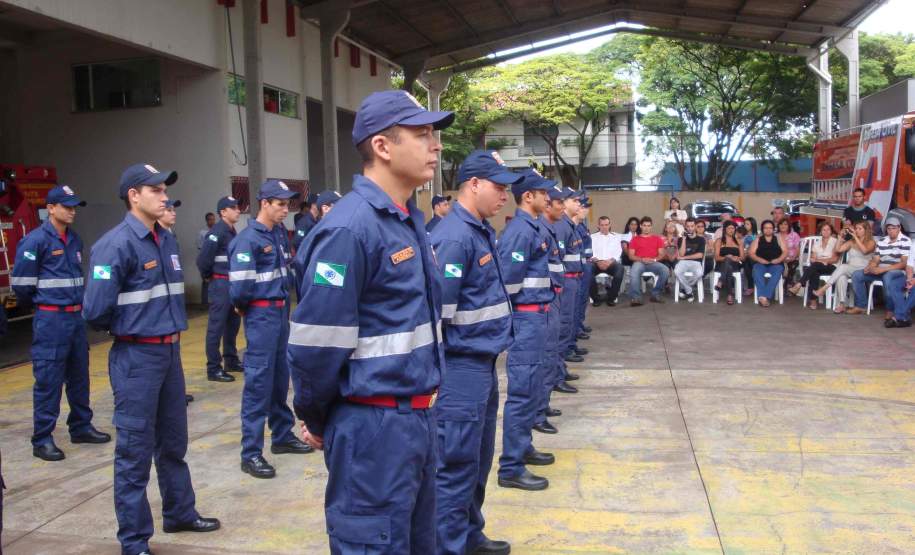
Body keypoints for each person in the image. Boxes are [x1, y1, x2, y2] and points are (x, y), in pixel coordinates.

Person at [288, 89, 452, 555]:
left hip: (417, 418)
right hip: (371, 426)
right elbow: (316, 346)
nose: (434, 145)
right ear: (382, 146)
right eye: (422, 134)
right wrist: (316, 417)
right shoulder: (349, 228)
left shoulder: (405, 221)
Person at [83, 163, 220, 555]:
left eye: (164, 190)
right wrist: (132, 328)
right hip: (136, 356)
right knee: (135, 451)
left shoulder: (165, 240)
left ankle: (180, 512)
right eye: (156, 190)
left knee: (173, 442)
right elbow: (95, 311)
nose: (164, 196)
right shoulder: (116, 244)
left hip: (169, 352)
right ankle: (134, 539)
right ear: (134, 196)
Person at [429, 150, 517, 555]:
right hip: (461, 368)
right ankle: (449, 546)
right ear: (474, 185)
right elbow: (437, 318)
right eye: (498, 187)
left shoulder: (480, 230)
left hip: (482, 364)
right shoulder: (453, 236)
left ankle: (469, 535)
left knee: (477, 461)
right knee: (455, 466)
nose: (505, 196)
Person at [11, 184, 111, 462]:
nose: (71, 211)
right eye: (66, 207)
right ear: (50, 208)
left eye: (73, 207)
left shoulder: (74, 240)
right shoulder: (35, 241)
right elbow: (21, 286)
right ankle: (42, 438)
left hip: (75, 318)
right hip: (51, 318)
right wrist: (45, 305)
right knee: (49, 379)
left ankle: (80, 426)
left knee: (79, 375)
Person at [229, 179, 312, 479]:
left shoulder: (278, 234)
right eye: (279, 204)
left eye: (287, 204)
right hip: (261, 316)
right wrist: (245, 307)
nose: (284, 210)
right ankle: (250, 452)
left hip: (280, 313)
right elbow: (238, 288)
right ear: (264, 203)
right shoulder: (248, 239)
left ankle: (281, 435)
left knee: (280, 378)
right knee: (258, 382)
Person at [497, 168, 556, 500]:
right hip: (525, 319)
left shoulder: (532, 227)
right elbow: (507, 284)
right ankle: (511, 467)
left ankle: (523, 447)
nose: (549, 197)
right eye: (543, 192)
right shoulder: (520, 231)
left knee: (531, 386)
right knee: (521, 392)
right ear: (528, 197)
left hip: (537, 317)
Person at [196, 196, 243, 383]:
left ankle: (230, 360)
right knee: (216, 326)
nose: (238, 210)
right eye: (234, 208)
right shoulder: (217, 232)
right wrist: (209, 277)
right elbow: (203, 260)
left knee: (232, 324)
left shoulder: (231, 231)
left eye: (238, 207)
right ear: (223, 212)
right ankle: (213, 367)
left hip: (231, 284)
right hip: (221, 284)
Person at [847, 216, 911, 316]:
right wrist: (871, 266)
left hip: (896, 271)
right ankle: (861, 306)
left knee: (887, 276)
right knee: (857, 275)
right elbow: (876, 259)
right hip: (880, 269)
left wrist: (883, 269)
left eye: (894, 228)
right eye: (889, 229)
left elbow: (903, 263)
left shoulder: (905, 241)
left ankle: (890, 309)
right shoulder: (882, 241)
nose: (891, 231)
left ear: (899, 228)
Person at [814, 221, 876, 313]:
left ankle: (824, 288)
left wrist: (855, 236)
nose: (857, 231)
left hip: (863, 269)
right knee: (841, 277)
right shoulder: (851, 242)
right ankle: (842, 304)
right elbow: (838, 250)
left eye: (860, 229)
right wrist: (840, 237)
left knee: (843, 267)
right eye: (856, 229)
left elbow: (865, 251)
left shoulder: (871, 242)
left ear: (866, 230)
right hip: (850, 268)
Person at [789, 222, 838, 308]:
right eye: (824, 230)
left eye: (828, 230)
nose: (826, 231)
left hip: (832, 267)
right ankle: (813, 301)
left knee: (814, 266)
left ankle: (799, 284)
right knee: (814, 272)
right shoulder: (817, 243)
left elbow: (834, 259)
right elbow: (812, 258)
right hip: (819, 266)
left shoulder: (835, 242)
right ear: (820, 231)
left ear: (831, 231)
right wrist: (819, 260)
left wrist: (820, 260)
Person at [627, 216, 668, 305]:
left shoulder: (657, 239)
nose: (646, 228)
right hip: (639, 262)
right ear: (641, 226)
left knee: (665, 270)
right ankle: (636, 298)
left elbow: (662, 254)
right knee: (634, 271)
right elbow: (631, 256)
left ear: (651, 227)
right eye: (644, 225)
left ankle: (655, 294)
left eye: (648, 226)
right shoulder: (634, 239)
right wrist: (642, 259)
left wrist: (654, 259)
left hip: (653, 262)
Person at [749, 219, 787, 307]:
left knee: (777, 272)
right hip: (761, 263)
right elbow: (751, 253)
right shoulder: (758, 239)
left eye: (770, 228)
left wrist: (778, 260)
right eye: (766, 228)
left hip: (776, 263)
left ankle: (763, 296)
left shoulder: (779, 238)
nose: (768, 230)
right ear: (762, 229)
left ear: (773, 229)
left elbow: (785, 251)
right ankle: (764, 297)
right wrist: (760, 260)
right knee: (756, 271)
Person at [589, 216, 625, 306]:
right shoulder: (592, 237)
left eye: (606, 224)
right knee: (587, 271)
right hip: (596, 262)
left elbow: (618, 251)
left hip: (611, 263)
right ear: (598, 226)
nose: (604, 227)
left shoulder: (616, 237)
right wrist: (598, 261)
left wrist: (609, 261)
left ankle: (612, 297)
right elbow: (589, 251)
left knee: (620, 269)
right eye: (602, 225)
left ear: (610, 225)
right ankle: (595, 298)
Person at [574, 193, 593, 340]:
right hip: (579, 266)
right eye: (583, 206)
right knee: (578, 299)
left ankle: (579, 324)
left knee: (583, 297)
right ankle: (576, 328)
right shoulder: (575, 227)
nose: (586, 210)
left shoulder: (581, 226)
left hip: (586, 264)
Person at [673, 217, 705, 302]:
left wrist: (683, 257)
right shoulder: (681, 239)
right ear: (685, 227)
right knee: (677, 271)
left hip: (696, 263)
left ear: (695, 227)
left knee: (699, 273)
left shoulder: (701, 239)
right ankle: (689, 291)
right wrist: (683, 239)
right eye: (688, 226)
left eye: (692, 226)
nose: (690, 228)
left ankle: (684, 289)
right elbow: (682, 254)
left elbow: (699, 255)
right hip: (683, 262)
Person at [885, 239, 915, 327]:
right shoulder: (914, 244)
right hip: (912, 275)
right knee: (894, 285)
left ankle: (899, 316)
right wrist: (909, 279)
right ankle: (904, 317)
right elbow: (909, 265)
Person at [713, 220, 743, 305]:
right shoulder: (719, 241)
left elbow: (743, 257)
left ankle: (720, 281)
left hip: (735, 264)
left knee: (729, 264)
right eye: (729, 228)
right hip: (721, 264)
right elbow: (716, 257)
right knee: (727, 263)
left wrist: (736, 258)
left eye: (733, 228)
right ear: (725, 229)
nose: (731, 230)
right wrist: (726, 257)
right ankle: (730, 295)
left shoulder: (739, 241)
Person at [777, 218, 801, 291]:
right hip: (779, 259)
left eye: (785, 224)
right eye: (781, 224)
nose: (783, 226)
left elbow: (797, 250)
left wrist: (793, 258)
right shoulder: (775, 236)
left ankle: (786, 286)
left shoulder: (794, 235)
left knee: (793, 265)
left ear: (789, 226)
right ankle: (786, 287)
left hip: (792, 258)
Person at [742, 217, 758, 296]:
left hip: (752, 256)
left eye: (747, 224)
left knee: (749, 263)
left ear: (753, 225)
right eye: (744, 224)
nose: (745, 226)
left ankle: (751, 287)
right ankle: (752, 286)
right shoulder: (741, 235)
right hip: (742, 256)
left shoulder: (756, 236)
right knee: (747, 262)